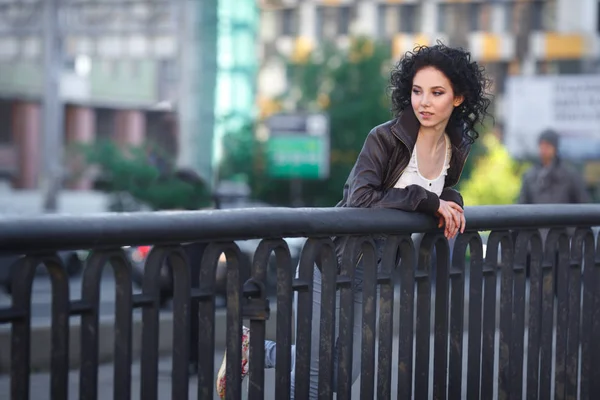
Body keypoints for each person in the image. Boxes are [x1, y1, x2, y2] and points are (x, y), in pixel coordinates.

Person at [215, 42, 492, 399]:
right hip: (331, 261)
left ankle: (255, 349)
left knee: (345, 374)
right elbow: (360, 199)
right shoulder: (385, 138)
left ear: (457, 98)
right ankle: (255, 349)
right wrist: (427, 201)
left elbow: (443, 187)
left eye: (437, 93)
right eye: (417, 91)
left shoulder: (457, 147)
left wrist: (450, 201)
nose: (423, 102)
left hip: (379, 273)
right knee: (315, 379)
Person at [519, 129, 590, 204]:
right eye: (541, 145)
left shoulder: (570, 175)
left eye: (547, 145)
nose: (543, 150)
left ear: (555, 148)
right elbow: (522, 205)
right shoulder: (530, 176)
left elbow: (582, 204)